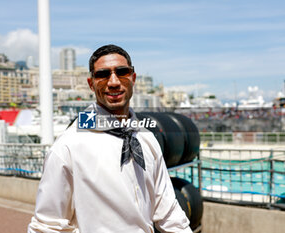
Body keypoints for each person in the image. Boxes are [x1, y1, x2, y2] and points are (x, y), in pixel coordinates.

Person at [28, 44, 192, 233]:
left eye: (122, 72)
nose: (113, 82)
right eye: (103, 74)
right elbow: (46, 226)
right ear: (91, 84)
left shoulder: (147, 139)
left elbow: (169, 214)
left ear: (133, 78)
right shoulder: (68, 146)